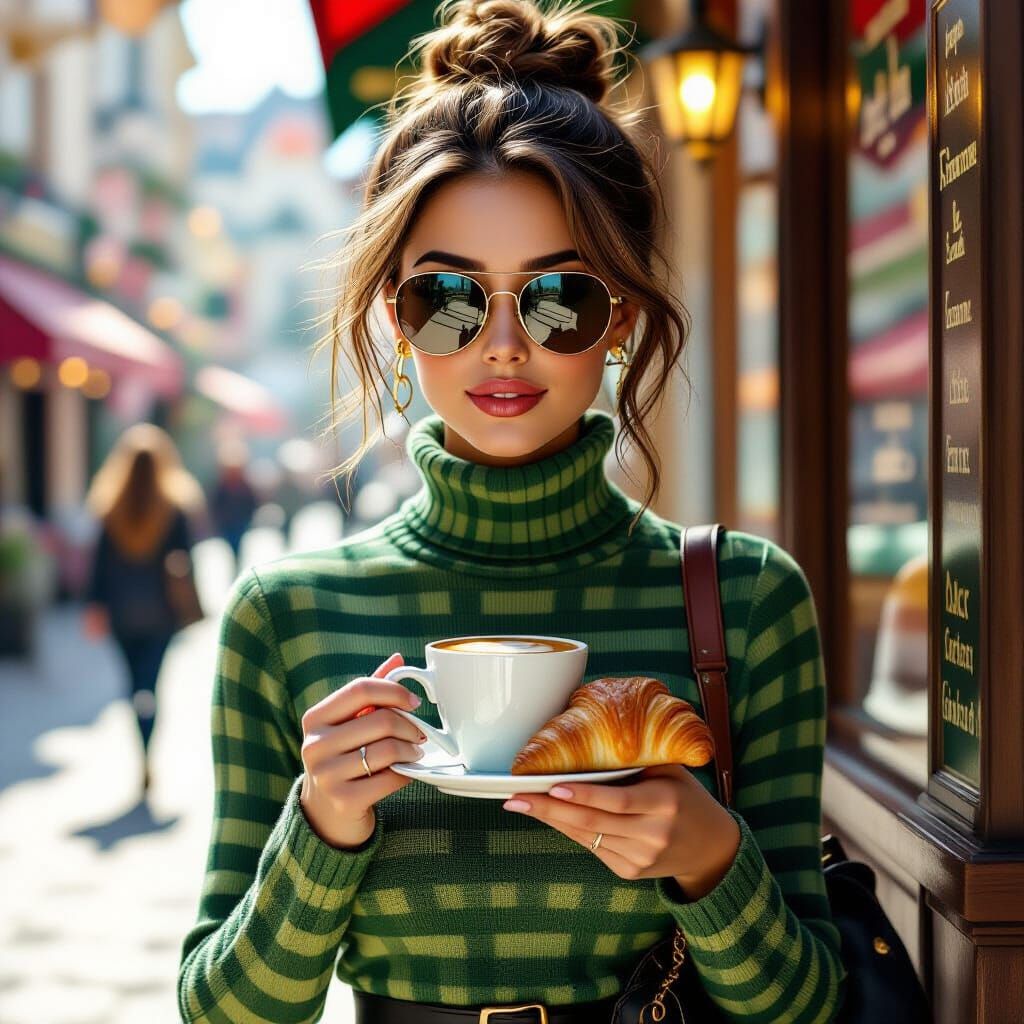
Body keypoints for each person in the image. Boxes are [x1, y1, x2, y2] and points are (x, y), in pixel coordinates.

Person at [177, 2, 847, 1021]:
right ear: (395, 322)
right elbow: (222, 1009)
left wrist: (714, 860)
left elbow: (809, 1006)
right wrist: (319, 825)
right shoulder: (286, 612)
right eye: (446, 296)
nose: (500, 344)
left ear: (619, 316)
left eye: (555, 299)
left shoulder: (744, 598)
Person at [84, 423, 204, 797]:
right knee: (152, 684)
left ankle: (142, 742)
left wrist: (94, 606)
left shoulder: (109, 507)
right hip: (161, 614)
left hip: (122, 613)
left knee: (133, 682)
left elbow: (98, 566)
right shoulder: (175, 508)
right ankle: (148, 752)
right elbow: (186, 561)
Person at [208, 440, 257, 569]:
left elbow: (251, 502)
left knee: (238, 546)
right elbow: (216, 504)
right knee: (231, 546)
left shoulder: (244, 485)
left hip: (239, 523)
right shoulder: (222, 486)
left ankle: (236, 563)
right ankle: (235, 563)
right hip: (228, 524)